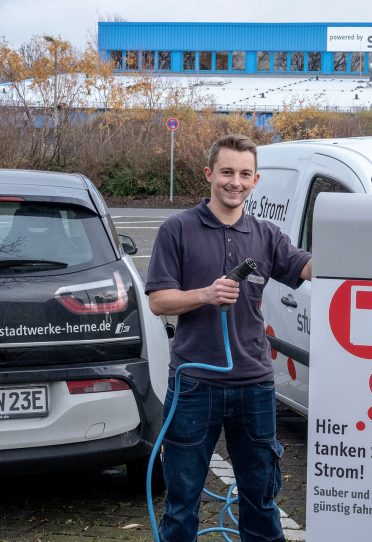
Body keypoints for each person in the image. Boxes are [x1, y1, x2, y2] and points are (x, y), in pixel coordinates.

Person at [146, 134, 311, 542]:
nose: (234, 182)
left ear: (256, 180)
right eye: (226, 172)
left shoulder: (267, 236)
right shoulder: (177, 230)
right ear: (209, 175)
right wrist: (205, 294)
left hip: (253, 383)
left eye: (243, 174)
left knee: (261, 497)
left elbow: (307, 267)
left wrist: (365, 248)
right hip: (194, 382)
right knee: (182, 499)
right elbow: (158, 302)